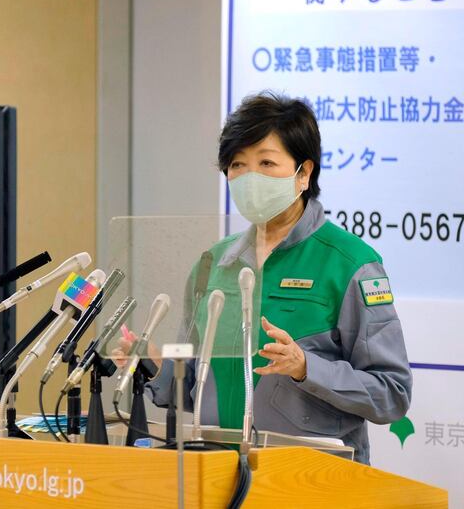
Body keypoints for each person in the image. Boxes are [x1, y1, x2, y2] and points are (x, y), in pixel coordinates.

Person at [140, 91, 412, 464]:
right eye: (237, 165)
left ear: (304, 173)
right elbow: (193, 392)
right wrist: (149, 360)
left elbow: (392, 393)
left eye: (267, 163)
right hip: (218, 474)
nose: (249, 178)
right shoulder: (213, 264)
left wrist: (305, 368)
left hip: (311, 482)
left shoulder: (351, 264)